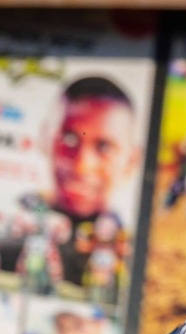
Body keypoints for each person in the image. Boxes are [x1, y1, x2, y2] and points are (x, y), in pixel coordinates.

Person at [47, 75, 140, 288]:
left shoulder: (125, 244)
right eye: (69, 139)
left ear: (131, 160)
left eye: (104, 147)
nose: (82, 166)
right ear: (47, 139)